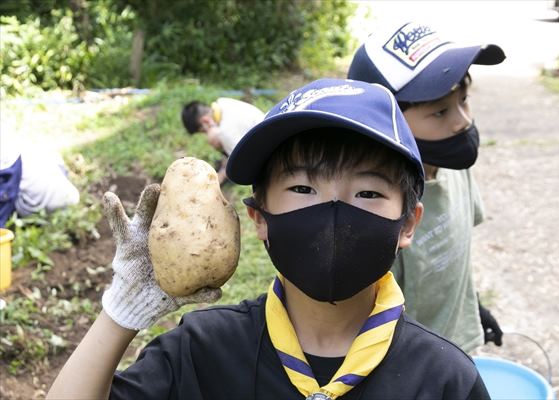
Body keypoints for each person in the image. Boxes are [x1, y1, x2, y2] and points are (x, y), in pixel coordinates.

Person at [47, 79, 490, 399]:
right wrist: (122, 312)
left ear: (407, 223)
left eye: (368, 193)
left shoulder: (445, 380)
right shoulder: (201, 353)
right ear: (259, 218)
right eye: (302, 189)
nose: (333, 214)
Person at [347, 20, 506, 353]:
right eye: (440, 112)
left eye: (465, 99)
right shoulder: (378, 210)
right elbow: (361, 316)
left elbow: (455, 257)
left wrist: (471, 306)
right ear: (383, 120)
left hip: (458, 347)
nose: (462, 120)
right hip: (412, 364)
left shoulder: (453, 169)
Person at [0, 135, 80, 227]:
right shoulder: (22, 144)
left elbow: (5, 197)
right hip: (71, 197)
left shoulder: (6, 162)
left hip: (40, 208)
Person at [181, 98, 264, 185]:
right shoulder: (223, 102)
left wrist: (220, 178)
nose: (206, 134)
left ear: (205, 120)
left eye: (203, 131)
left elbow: (242, 164)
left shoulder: (226, 132)